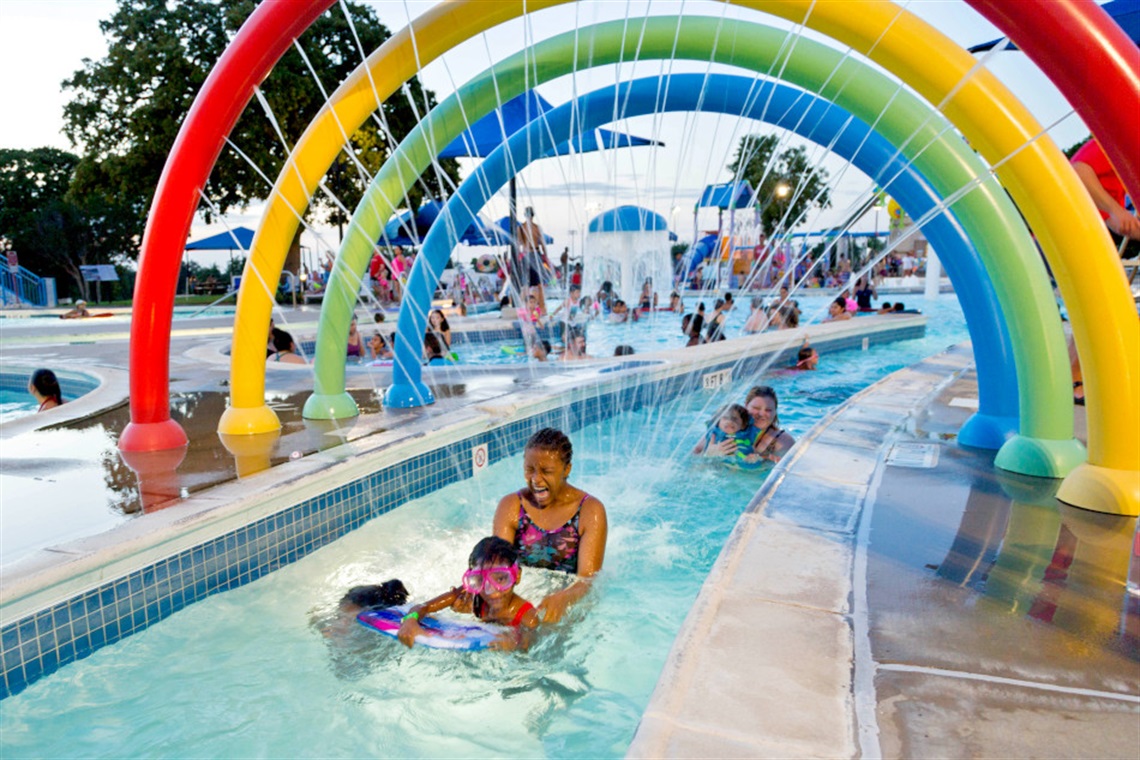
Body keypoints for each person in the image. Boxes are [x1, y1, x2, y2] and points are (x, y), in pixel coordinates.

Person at [492, 428, 608, 622]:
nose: (536, 479)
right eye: (530, 470)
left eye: (546, 471)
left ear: (566, 469)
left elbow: (587, 579)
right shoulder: (512, 506)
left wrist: (564, 598)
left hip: (566, 600)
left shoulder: (590, 510)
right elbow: (497, 568)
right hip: (521, 598)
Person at [396, 537, 539, 650]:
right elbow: (424, 607)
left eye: (500, 578)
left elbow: (528, 650)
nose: (490, 590)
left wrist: (513, 646)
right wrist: (410, 620)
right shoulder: (470, 595)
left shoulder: (527, 618)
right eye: (480, 579)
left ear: (517, 575)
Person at [1071, 138, 1139, 258]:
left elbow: (1118, 224)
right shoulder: (1120, 140)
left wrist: (1116, 212)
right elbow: (1078, 170)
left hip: (1076, 243)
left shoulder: (1116, 184)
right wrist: (1115, 210)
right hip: (1059, 236)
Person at [516, 206, 550, 312]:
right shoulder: (522, 228)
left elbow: (542, 243)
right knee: (529, 284)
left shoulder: (530, 228)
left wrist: (545, 256)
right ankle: (528, 307)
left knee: (535, 283)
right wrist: (545, 256)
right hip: (531, 254)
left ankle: (540, 307)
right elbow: (519, 243)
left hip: (533, 254)